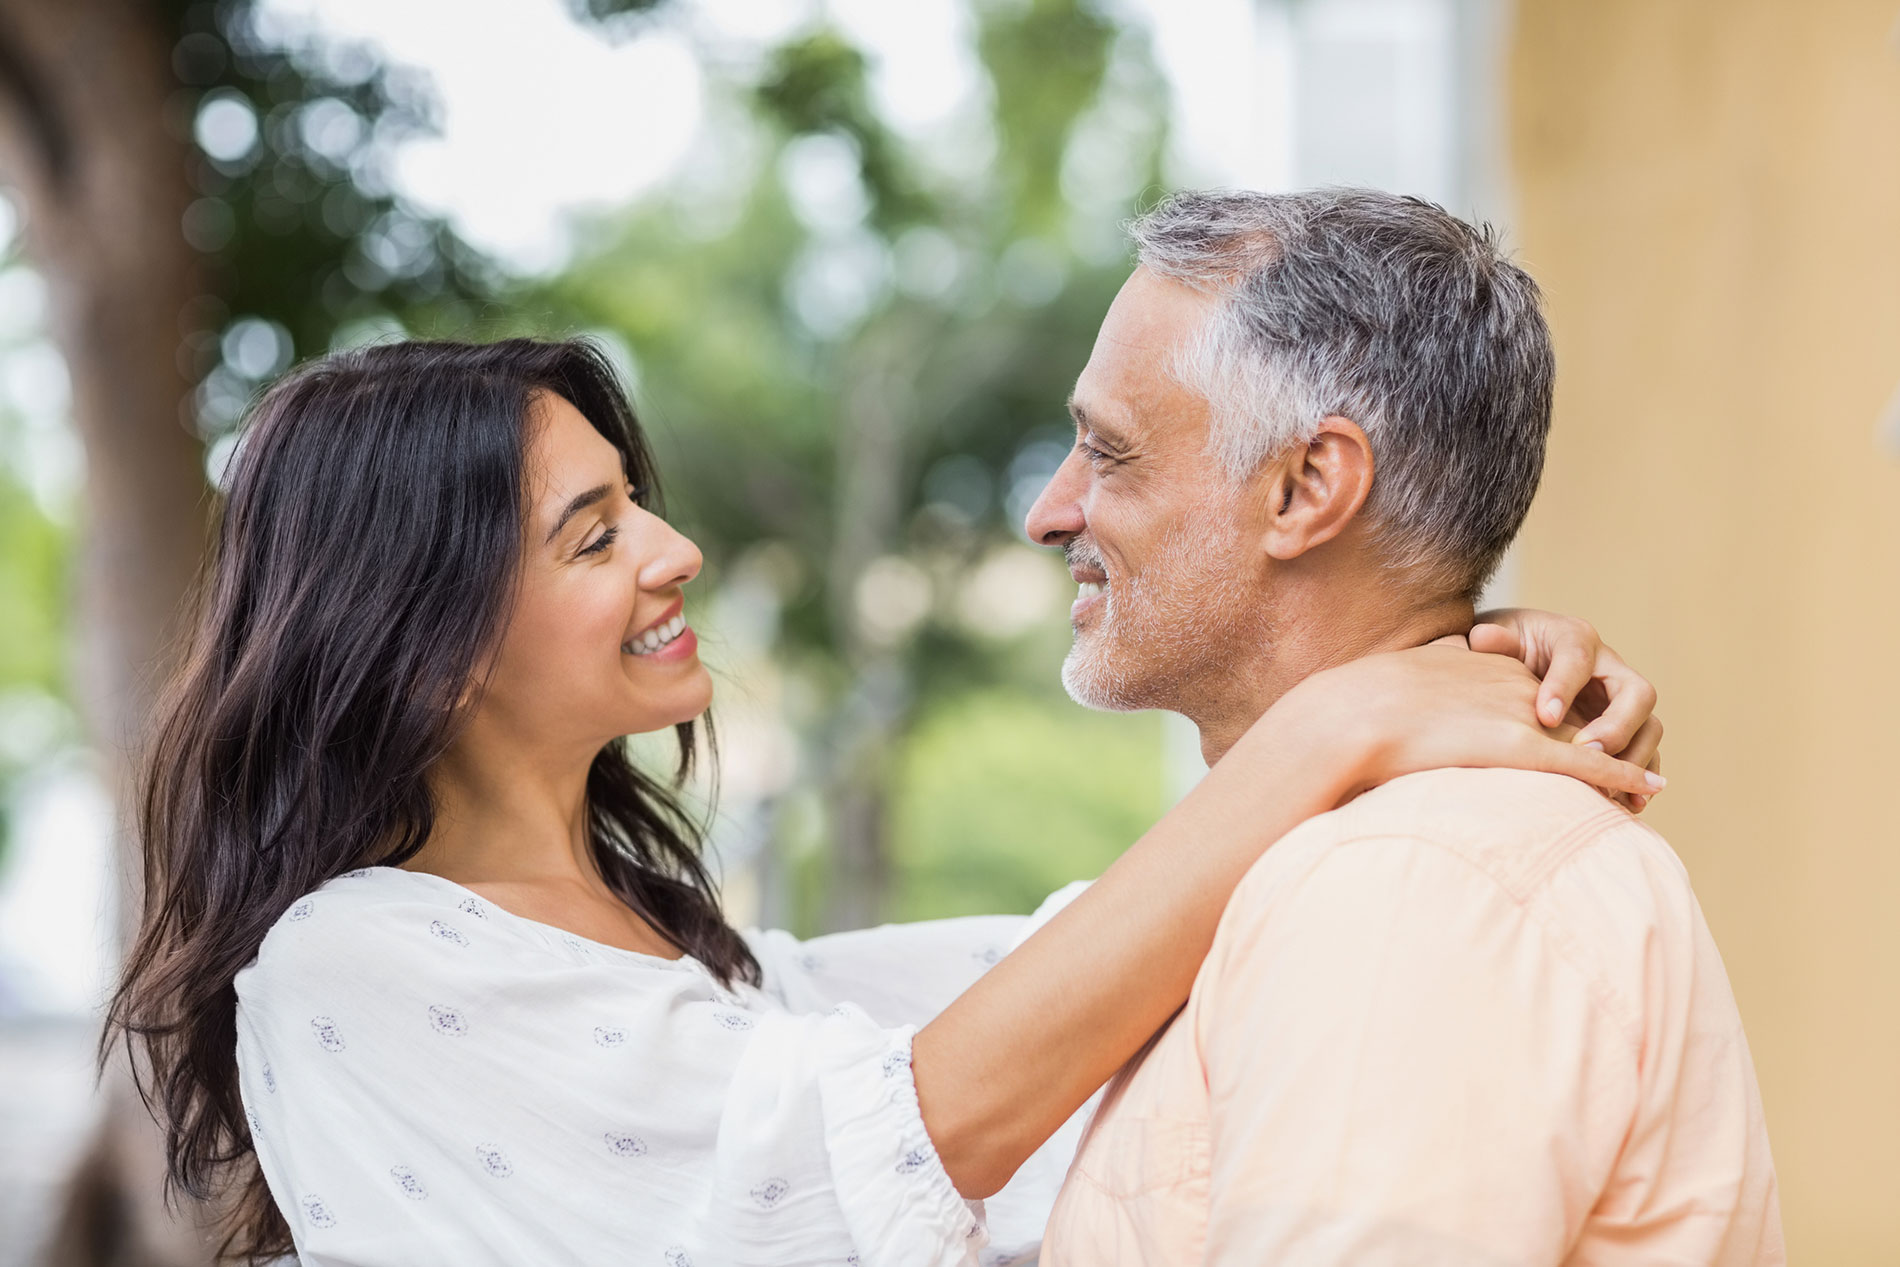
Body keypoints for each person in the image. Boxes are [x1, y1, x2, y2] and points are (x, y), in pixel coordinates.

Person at [106, 336, 1663, 1267]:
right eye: (592, 536)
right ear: (425, 642)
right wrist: (1338, 725)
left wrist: (1437, 659)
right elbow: (876, 1141)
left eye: (635, 498)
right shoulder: (348, 964)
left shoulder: (710, 969)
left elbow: (1074, 980)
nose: (672, 549)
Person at [1028, 188, 1782, 1265]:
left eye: (1109, 451)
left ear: (1305, 488)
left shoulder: (1405, 879)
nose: (1049, 510)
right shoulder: (1342, 858)